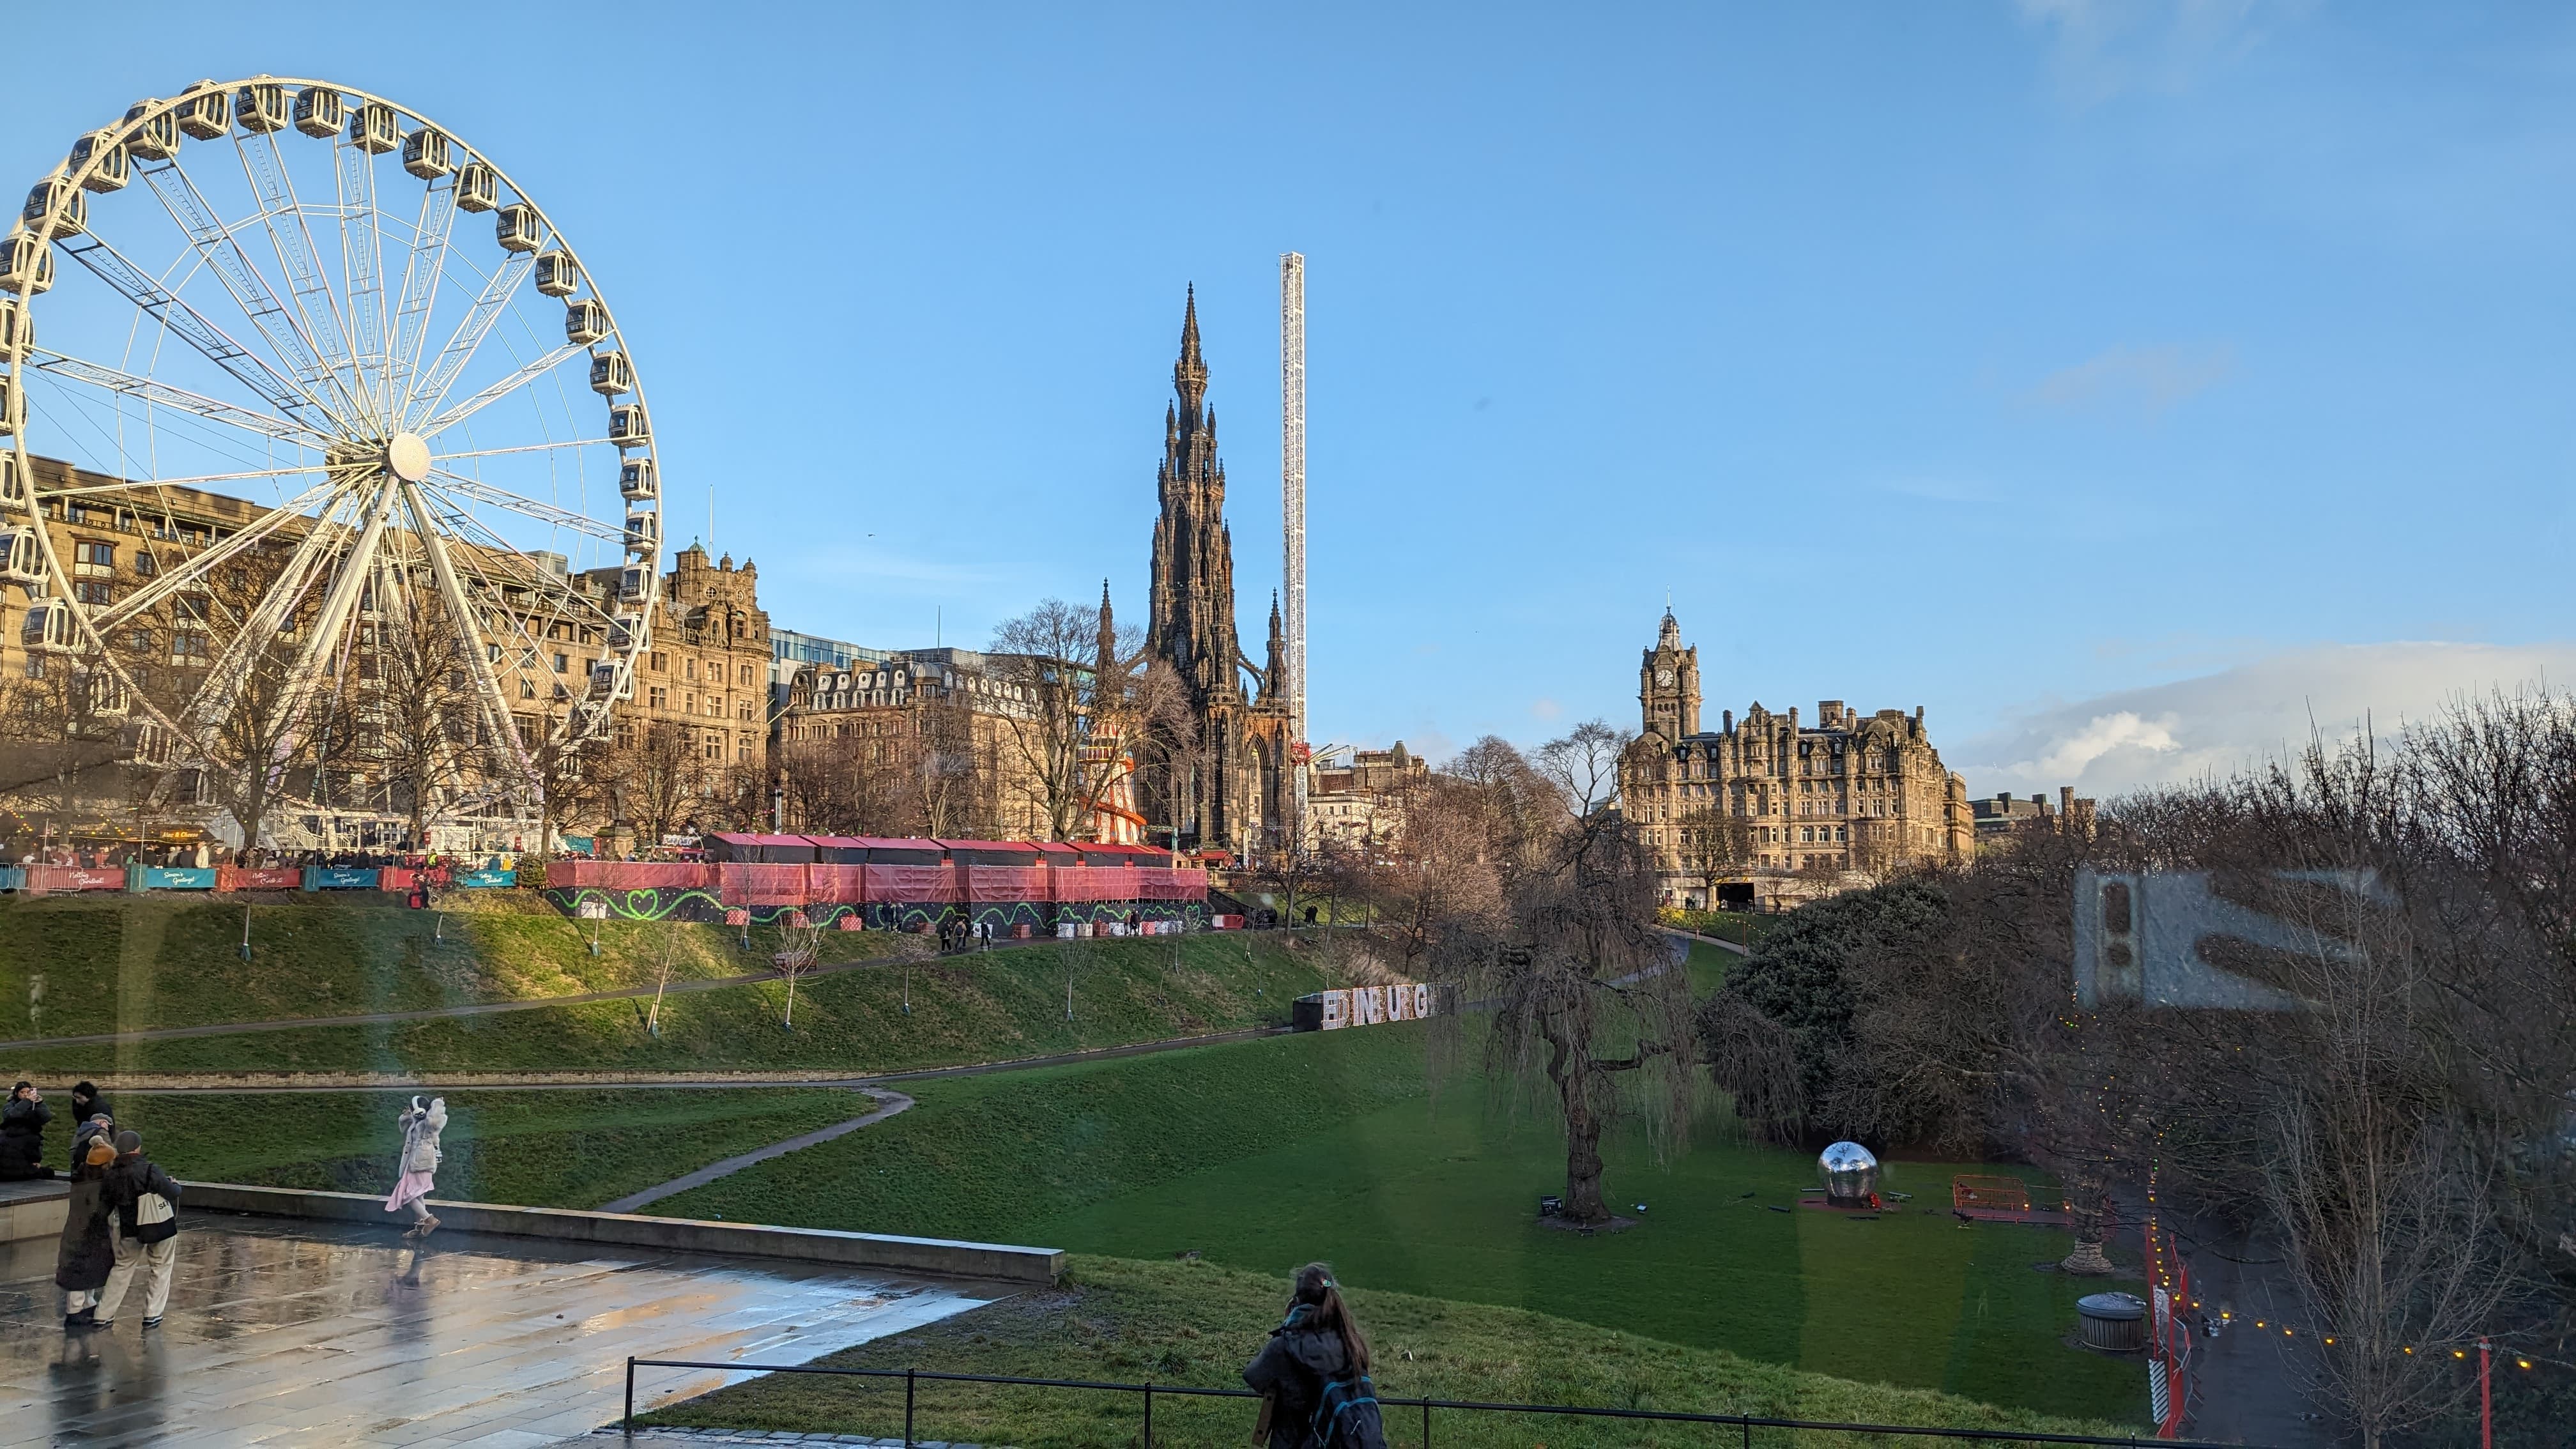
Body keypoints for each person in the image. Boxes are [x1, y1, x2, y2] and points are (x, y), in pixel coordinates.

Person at [1242, 1264, 1385, 1449]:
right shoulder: (1350, 1341)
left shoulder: (1285, 1344)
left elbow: (1254, 1377)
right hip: (1340, 1439)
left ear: (1296, 1299)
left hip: (1292, 1440)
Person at [95, 1129, 181, 1328]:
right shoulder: (149, 1169)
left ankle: (103, 1314)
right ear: (138, 1148)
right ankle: (152, 1314)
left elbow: (105, 1205)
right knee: (161, 1266)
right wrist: (175, 1185)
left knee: (122, 1267)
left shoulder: (111, 1174)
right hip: (157, 1225)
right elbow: (171, 1192)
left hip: (128, 1227)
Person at [54, 1135, 116, 1330]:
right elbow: (98, 1211)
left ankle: (86, 1305)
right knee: (80, 1274)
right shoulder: (95, 1185)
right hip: (86, 1234)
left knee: (86, 1272)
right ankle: (75, 1312)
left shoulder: (84, 1176)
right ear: (105, 1165)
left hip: (81, 1232)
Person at [385, 1096, 445, 1238]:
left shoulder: (428, 1124)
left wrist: (437, 1104)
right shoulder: (417, 1122)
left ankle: (430, 1220)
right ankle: (421, 1227)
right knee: (418, 1194)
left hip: (421, 1163)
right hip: (413, 1163)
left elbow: (435, 1122)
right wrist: (406, 1116)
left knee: (407, 1194)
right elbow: (403, 1126)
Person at [2, 1081, 52, 1179]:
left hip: (32, 1137)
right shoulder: (10, 1105)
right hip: (15, 1138)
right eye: (22, 1092)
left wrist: (40, 1104)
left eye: (28, 1092)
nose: (25, 1095)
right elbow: (10, 1115)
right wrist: (26, 1102)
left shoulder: (35, 1104)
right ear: (17, 1093)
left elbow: (46, 1117)